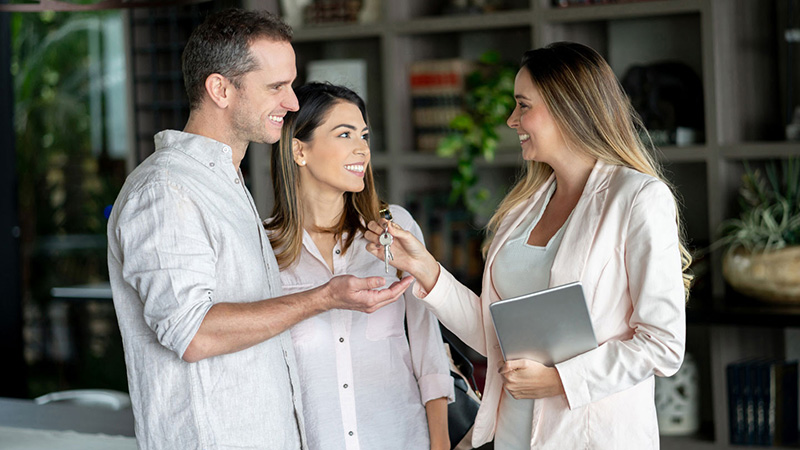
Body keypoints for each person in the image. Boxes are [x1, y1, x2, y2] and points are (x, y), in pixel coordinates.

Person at [106, 10, 411, 450]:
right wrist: (325, 297)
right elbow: (193, 334)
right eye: (276, 87)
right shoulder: (166, 190)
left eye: (290, 84)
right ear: (220, 89)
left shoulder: (225, 184)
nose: (291, 103)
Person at [364, 41, 691, 449]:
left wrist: (558, 380)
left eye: (523, 105)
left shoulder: (637, 197)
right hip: (514, 435)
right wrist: (424, 268)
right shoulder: (525, 207)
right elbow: (497, 337)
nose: (510, 120)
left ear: (568, 107)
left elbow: (663, 346)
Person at [265, 82, 454, 450]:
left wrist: (441, 443)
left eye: (364, 135)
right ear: (298, 149)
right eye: (345, 134)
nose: (362, 149)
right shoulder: (264, 248)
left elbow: (429, 351)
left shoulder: (394, 231)